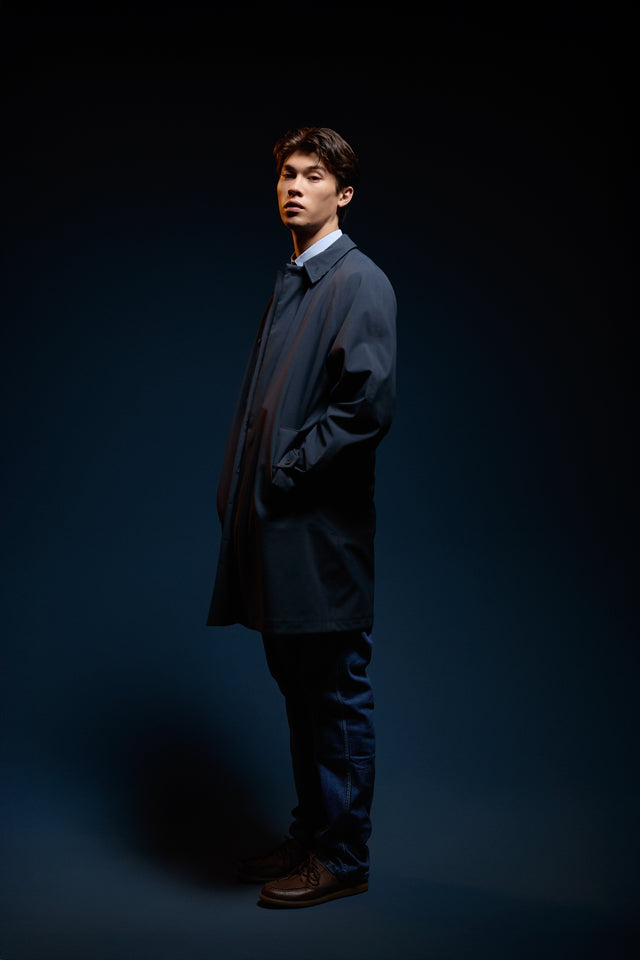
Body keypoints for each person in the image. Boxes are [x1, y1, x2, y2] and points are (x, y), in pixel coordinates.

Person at [207, 126, 397, 908]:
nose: (294, 185)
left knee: (334, 695)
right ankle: (312, 836)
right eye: (287, 173)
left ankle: (342, 859)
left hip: (319, 535)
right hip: (276, 531)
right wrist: (240, 492)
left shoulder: (358, 282)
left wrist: (282, 473)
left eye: (313, 175)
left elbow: (364, 407)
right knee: (299, 692)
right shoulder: (295, 279)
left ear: (343, 193)